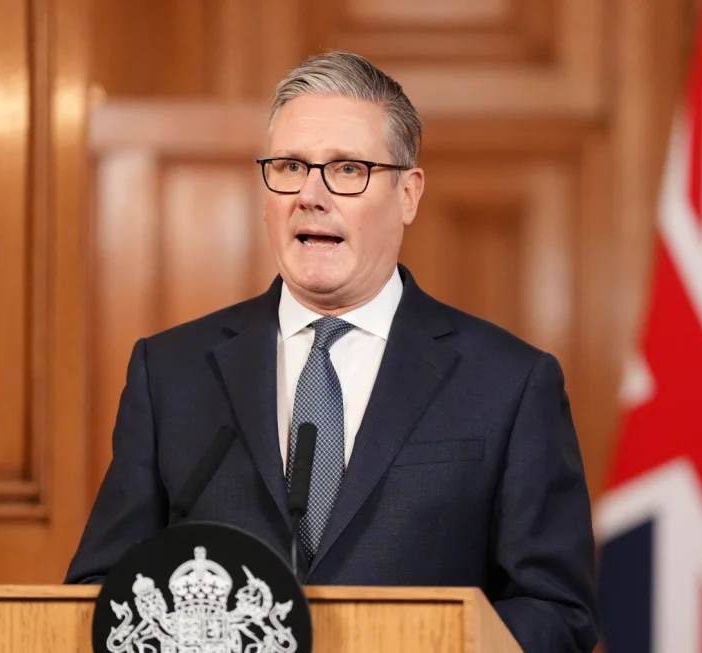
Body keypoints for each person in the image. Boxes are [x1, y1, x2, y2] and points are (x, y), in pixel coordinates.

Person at [65, 50, 599, 652]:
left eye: (347, 169)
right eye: (290, 166)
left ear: (408, 193)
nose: (310, 195)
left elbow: (557, 611)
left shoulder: (508, 383)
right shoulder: (170, 374)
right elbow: (102, 587)